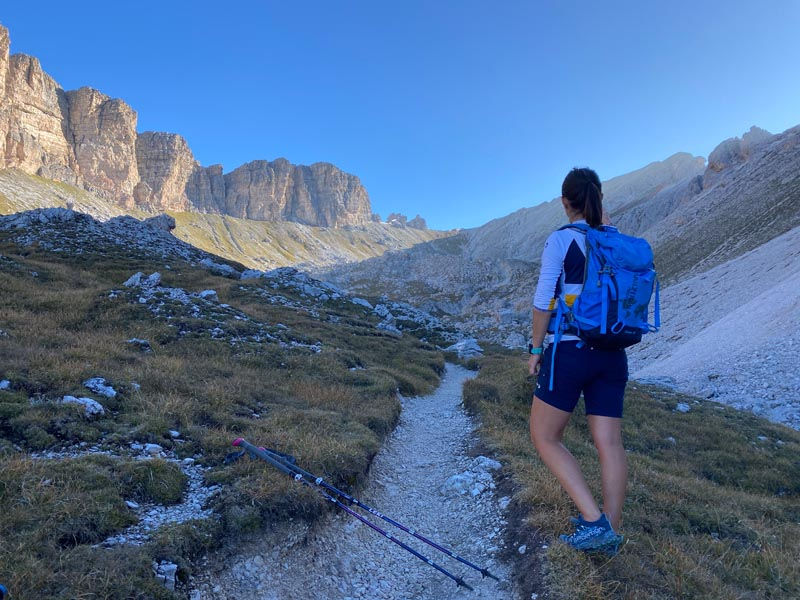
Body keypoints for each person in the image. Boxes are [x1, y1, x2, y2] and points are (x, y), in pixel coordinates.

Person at [528, 167, 627, 554]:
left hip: (570, 350)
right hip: (613, 355)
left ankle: (592, 520)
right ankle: (611, 532)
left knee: (545, 435)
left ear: (565, 201)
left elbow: (543, 300)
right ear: (597, 197)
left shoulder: (561, 239)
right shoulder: (614, 239)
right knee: (610, 444)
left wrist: (536, 350)